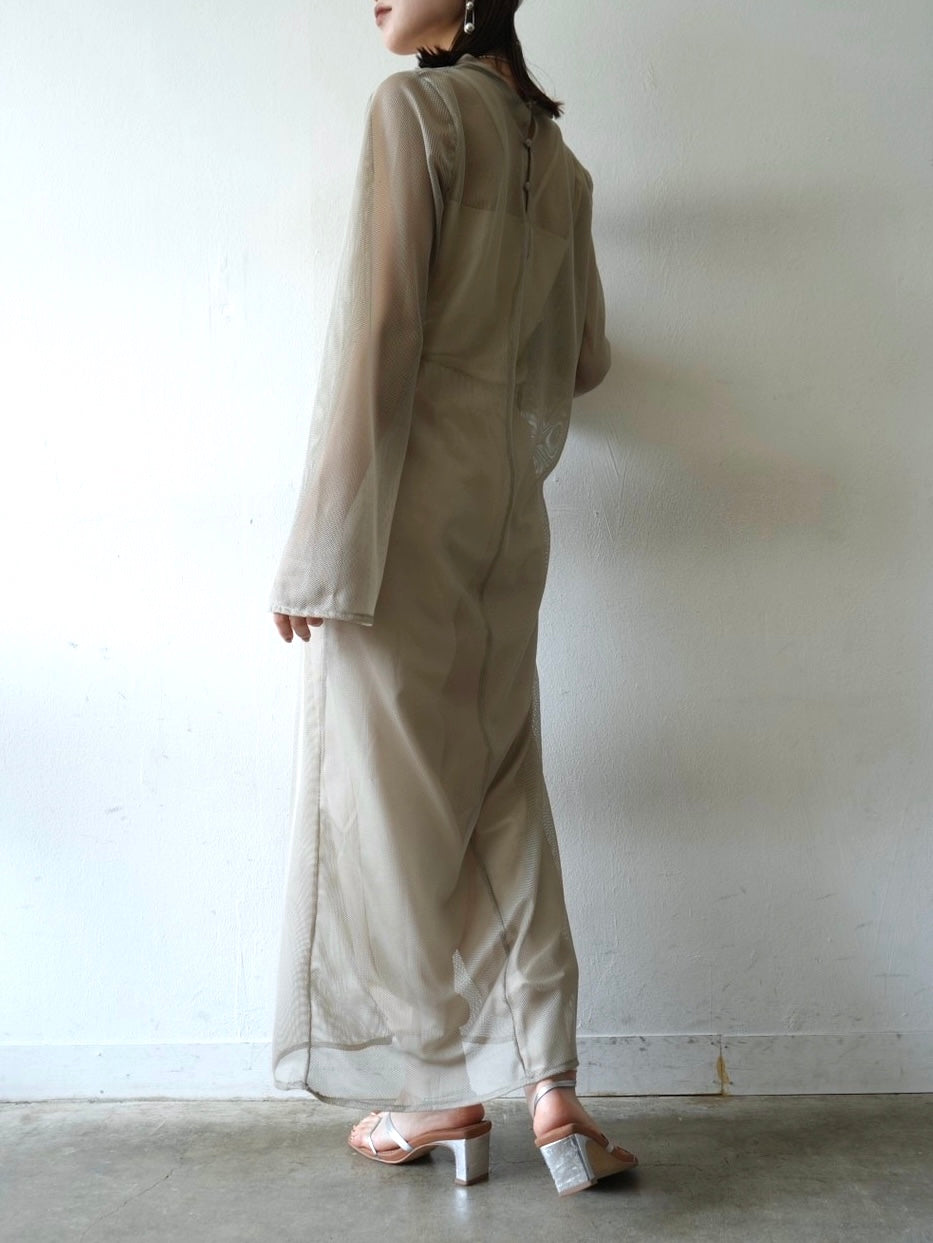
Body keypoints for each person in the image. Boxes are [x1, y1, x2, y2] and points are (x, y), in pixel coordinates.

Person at [268, 0, 637, 1196]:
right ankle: (554, 1089)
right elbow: (585, 359)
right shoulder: (559, 161)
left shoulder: (415, 111)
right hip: (507, 520)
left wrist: (318, 549)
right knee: (506, 790)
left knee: (390, 809)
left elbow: (378, 335)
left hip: (404, 514)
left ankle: (435, 1097)